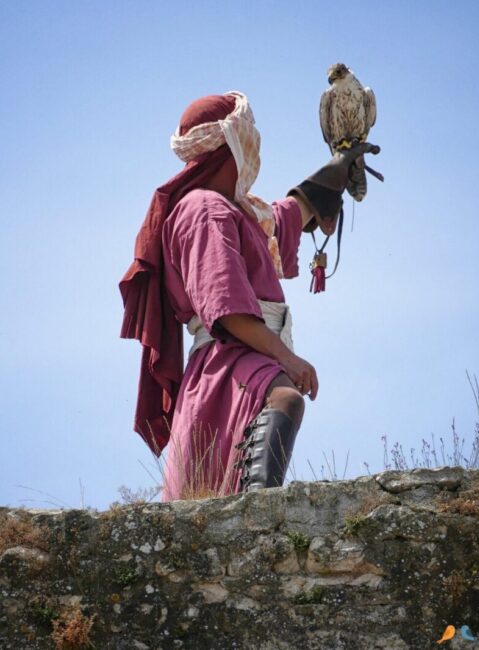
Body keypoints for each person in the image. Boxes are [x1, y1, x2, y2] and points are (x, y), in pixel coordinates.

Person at [119, 91, 379, 501]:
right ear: (232, 144)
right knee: (284, 399)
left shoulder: (236, 210)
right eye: (248, 133)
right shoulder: (205, 210)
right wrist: (287, 358)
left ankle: (254, 516)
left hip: (240, 354)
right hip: (227, 355)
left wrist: (334, 174)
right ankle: (260, 516)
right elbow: (226, 310)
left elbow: (284, 216)